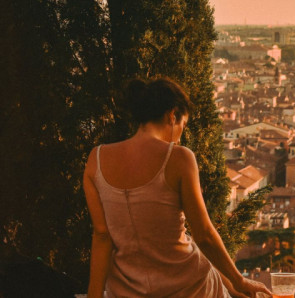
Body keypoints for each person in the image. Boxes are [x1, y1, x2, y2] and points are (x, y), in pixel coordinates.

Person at [83, 77, 272, 297]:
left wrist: (94, 295)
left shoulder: (95, 159)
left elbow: (102, 236)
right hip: (188, 289)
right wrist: (240, 281)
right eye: (183, 125)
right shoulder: (179, 158)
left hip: (127, 291)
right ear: (172, 115)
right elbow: (204, 236)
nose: (180, 137)